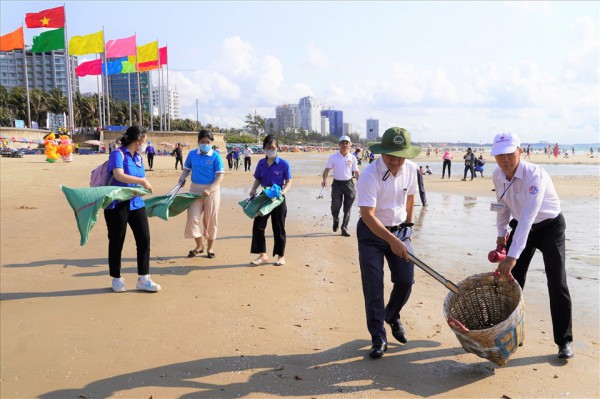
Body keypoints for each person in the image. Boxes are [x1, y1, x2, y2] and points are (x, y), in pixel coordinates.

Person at [490, 132, 573, 359]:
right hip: (520, 226)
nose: (505, 160)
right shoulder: (497, 175)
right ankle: (511, 333)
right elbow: (501, 206)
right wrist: (500, 236)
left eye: (509, 154)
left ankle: (564, 341)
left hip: (549, 226)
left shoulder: (535, 175)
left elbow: (529, 216)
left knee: (557, 282)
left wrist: (512, 255)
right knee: (512, 281)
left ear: (520, 152)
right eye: (500, 156)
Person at [356, 127, 420, 359]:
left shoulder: (411, 169)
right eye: (390, 154)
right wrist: (391, 240)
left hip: (400, 230)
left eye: (399, 155)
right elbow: (368, 215)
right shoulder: (369, 175)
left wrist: (409, 228)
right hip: (372, 234)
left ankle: (392, 315)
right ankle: (378, 337)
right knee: (373, 286)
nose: (395, 160)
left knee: (406, 280)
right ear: (382, 152)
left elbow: (411, 197)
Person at [104, 126, 160, 293]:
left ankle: (144, 278)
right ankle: (116, 278)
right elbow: (119, 175)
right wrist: (143, 181)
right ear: (138, 140)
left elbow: (138, 177)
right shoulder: (118, 154)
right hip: (117, 204)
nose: (145, 142)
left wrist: (142, 184)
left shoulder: (139, 158)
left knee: (144, 239)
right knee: (117, 240)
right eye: (144, 139)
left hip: (136, 203)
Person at [178, 130, 225, 259]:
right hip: (195, 190)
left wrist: (210, 189)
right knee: (193, 219)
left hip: (212, 190)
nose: (205, 144)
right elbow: (187, 169)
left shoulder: (215, 156)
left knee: (210, 220)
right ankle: (199, 246)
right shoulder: (192, 154)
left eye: (208, 142)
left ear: (211, 143)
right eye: (202, 142)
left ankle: (210, 248)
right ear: (198, 142)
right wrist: (182, 179)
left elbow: (220, 175)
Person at [248, 134, 292, 266]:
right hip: (264, 197)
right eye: (267, 147)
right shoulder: (261, 163)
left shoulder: (284, 164)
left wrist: (284, 191)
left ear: (277, 148)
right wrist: (253, 189)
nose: (270, 149)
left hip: (278, 198)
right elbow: (258, 179)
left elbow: (289, 181)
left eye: (272, 147)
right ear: (264, 148)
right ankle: (262, 255)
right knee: (258, 226)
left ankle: (281, 256)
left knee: (278, 227)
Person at [321, 135, 360, 237]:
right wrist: (324, 180)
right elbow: (327, 170)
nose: (344, 145)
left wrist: (361, 184)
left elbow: (356, 172)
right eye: (342, 143)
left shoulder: (353, 158)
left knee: (348, 208)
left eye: (346, 143)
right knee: (335, 206)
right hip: (337, 185)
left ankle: (344, 228)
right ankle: (336, 219)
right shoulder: (333, 157)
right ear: (339, 145)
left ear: (349, 145)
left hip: (349, 184)